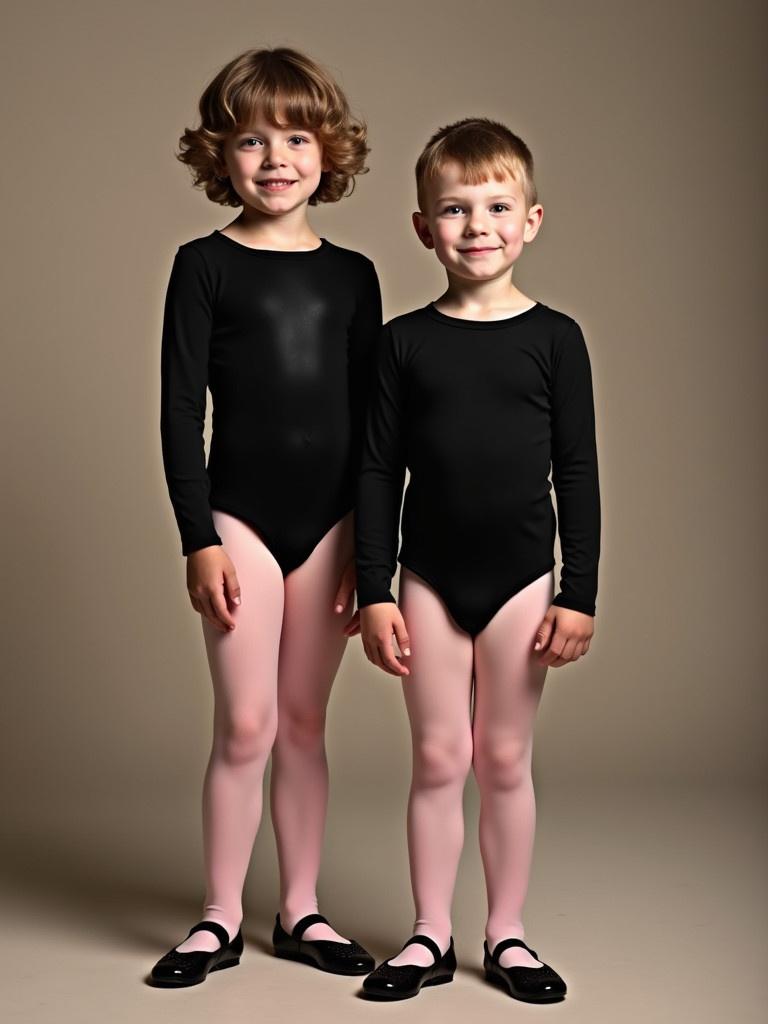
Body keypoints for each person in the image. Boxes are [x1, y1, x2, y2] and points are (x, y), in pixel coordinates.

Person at [352, 117, 601, 1002]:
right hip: (427, 579)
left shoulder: (556, 339)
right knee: (437, 757)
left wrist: (579, 593)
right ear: (424, 227)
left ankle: (506, 935)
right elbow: (378, 469)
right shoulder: (403, 341)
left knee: (502, 759)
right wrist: (376, 590)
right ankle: (428, 933)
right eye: (454, 209)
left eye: (497, 206)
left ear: (532, 219)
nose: (477, 225)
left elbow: (577, 470)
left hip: (525, 583)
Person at [150, 46, 382, 987]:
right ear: (221, 156)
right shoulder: (202, 266)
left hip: (335, 526)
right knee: (244, 724)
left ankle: (300, 911)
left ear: (329, 151)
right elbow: (178, 411)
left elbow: (379, 422)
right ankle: (217, 916)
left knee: (302, 720)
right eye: (252, 140)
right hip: (239, 518)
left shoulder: (356, 275)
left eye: (295, 137)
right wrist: (198, 534)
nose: (276, 158)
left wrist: (376, 541)